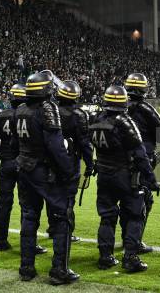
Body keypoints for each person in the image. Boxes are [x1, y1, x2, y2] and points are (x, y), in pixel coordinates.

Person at [12, 72, 78, 285]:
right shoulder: (48, 109)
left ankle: (26, 268)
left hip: (24, 169)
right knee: (62, 218)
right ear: (47, 90)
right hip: (44, 172)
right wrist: (68, 172)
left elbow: (16, 144)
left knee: (29, 217)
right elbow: (56, 146)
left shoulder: (20, 110)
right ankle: (59, 270)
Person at [90, 85, 160, 272]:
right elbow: (139, 154)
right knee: (136, 214)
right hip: (125, 175)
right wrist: (152, 179)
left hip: (104, 175)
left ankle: (105, 257)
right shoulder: (125, 121)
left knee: (107, 217)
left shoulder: (96, 120)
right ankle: (130, 258)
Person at [0, 83, 47, 254]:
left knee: (3, 202)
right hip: (24, 164)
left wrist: (1, 154)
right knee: (28, 206)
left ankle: (0, 240)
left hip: (6, 163)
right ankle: (28, 243)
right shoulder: (29, 115)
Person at [124, 73, 160, 254]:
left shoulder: (116, 107)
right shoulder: (145, 108)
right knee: (142, 202)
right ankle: (133, 243)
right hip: (141, 162)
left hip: (119, 162)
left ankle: (123, 240)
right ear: (144, 89)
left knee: (123, 204)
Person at [56, 80, 94, 243]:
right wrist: (90, 163)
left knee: (54, 196)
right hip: (71, 161)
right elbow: (84, 142)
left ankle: (53, 228)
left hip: (52, 160)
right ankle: (65, 232)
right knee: (68, 199)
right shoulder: (79, 114)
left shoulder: (52, 111)